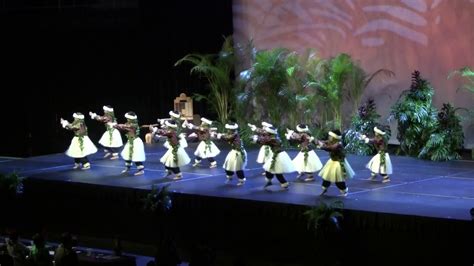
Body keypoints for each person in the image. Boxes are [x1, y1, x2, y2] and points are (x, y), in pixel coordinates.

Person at [317, 130, 355, 196]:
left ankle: (344, 191)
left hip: (338, 163)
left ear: (334, 137)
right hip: (332, 162)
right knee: (327, 177)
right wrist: (316, 141)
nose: (329, 137)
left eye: (330, 136)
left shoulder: (338, 144)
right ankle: (324, 188)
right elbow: (323, 142)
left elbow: (331, 148)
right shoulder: (330, 142)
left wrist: (322, 147)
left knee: (338, 179)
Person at [217, 121, 247, 186]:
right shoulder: (233, 133)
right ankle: (230, 176)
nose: (227, 130)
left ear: (231, 129)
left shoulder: (234, 134)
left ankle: (241, 180)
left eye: (228, 129)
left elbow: (227, 137)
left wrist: (219, 135)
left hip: (238, 152)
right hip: (233, 151)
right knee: (228, 164)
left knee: (238, 167)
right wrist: (219, 134)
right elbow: (227, 135)